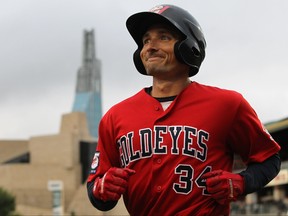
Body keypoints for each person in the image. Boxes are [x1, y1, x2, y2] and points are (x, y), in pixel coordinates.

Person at [87, 4, 281, 216]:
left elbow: (269, 159)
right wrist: (102, 187)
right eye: (145, 41)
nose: (150, 46)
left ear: (190, 47)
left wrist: (242, 182)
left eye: (164, 37)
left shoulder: (227, 104)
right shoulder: (115, 116)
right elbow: (97, 191)